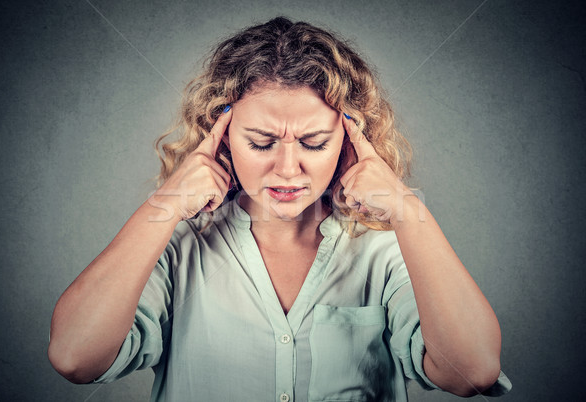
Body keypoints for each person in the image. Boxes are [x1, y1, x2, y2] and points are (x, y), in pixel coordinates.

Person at [48, 17, 511, 401]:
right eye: (261, 142)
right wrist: (165, 204)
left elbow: (472, 373)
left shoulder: (384, 254)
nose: (288, 169)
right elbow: (74, 358)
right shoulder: (180, 248)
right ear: (222, 133)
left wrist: (409, 210)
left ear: (351, 139)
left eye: (313, 143)